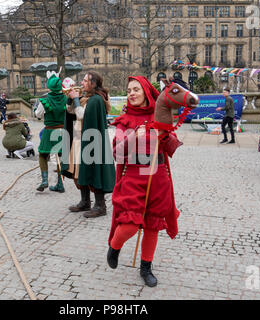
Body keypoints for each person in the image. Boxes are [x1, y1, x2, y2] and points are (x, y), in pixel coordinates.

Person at [107, 76, 182, 287]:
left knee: (152, 225)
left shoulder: (160, 117)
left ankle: (146, 267)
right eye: (129, 90)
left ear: (146, 92)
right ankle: (115, 246)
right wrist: (134, 137)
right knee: (130, 224)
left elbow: (171, 148)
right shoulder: (124, 121)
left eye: (136, 89)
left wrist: (166, 136)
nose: (131, 93)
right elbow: (117, 153)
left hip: (158, 176)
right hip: (133, 176)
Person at [64, 71, 115, 218]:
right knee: (80, 170)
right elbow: (71, 111)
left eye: (85, 81)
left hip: (92, 140)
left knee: (94, 170)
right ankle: (84, 201)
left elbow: (81, 115)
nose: (82, 83)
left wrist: (76, 99)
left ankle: (100, 206)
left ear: (93, 83)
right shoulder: (87, 98)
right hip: (80, 137)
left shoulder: (97, 99)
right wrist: (70, 99)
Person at [35, 71, 67, 193]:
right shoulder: (66, 98)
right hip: (62, 131)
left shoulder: (45, 100)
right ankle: (60, 183)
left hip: (49, 131)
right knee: (61, 157)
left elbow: (38, 115)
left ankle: (44, 180)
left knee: (43, 155)